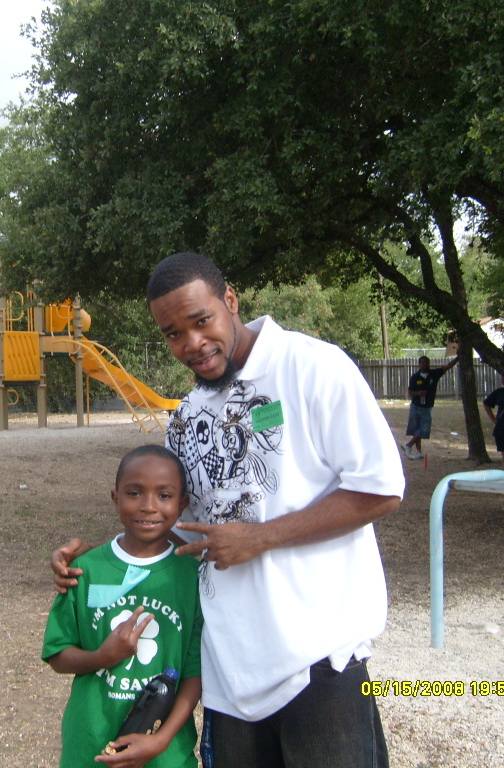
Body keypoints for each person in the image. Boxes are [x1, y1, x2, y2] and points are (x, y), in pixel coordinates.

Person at [52, 253, 405, 768]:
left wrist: (262, 536)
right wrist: (97, 557)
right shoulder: (188, 415)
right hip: (229, 669)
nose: (192, 343)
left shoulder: (312, 367)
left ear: (231, 300)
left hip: (318, 658)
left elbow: (381, 488)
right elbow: (178, 527)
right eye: (173, 334)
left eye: (202, 321)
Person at [42, 444, 203, 768]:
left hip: (165, 754)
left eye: (164, 495)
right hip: (90, 747)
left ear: (182, 504)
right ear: (115, 498)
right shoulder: (85, 570)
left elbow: (194, 674)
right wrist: (102, 657)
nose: (148, 506)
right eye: (134, 493)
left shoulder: (193, 577)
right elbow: (57, 653)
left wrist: (161, 739)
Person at [402, 354, 458, 459]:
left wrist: (458, 358)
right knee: (417, 429)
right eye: (422, 362)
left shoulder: (434, 374)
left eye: (427, 362)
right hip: (416, 405)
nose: (425, 364)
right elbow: (410, 392)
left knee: (424, 429)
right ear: (419, 364)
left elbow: (447, 367)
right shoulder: (415, 377)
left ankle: (408, 445)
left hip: (427, 406)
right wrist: (418, 393)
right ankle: (418, 452)